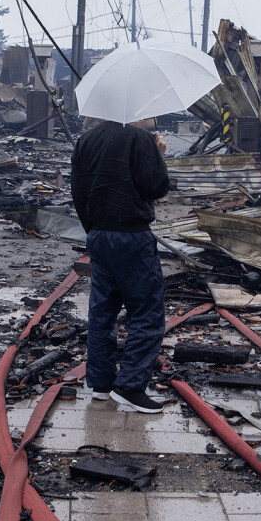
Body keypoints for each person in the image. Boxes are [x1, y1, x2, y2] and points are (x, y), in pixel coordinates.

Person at [70, 115, 171, 413]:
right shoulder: (139, 139)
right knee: (146, 311)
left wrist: (94, 228)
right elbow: (156, 187)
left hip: (98, 235)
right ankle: (129, 386)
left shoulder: (86, 140)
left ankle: (101, 384)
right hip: (132, 236)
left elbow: (77, 190)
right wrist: (159, 156)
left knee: (102, 310)